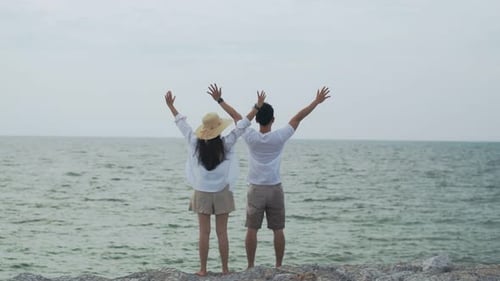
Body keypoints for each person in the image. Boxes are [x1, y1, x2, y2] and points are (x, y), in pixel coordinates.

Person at [217, 86, 331, 268]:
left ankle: (251, 266)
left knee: (252, 229)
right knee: (278, 229)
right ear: (273, 120)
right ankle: (278, 265)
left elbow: (237, 117)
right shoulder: (279, 136)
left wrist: (220, 100)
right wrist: (316, 102)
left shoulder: (250, 135)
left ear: (256, 120)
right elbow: (298, 117)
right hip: (275, 188)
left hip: (255, 188)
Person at [164, 83, 266, 276]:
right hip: (222, 192)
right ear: (218, 128)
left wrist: (171, 106)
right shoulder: (226, 143)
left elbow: (182, 124)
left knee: (203, 233)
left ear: (204, 129)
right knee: (222, 233)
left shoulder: (195, 142)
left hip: (201, 192)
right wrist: (257, 106)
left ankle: (202, 270)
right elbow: (243, 124)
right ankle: (225, 270)